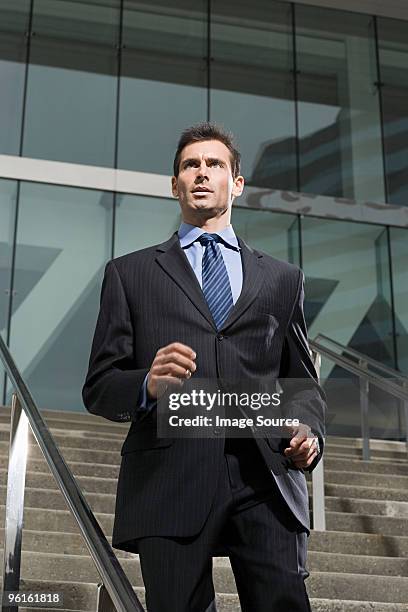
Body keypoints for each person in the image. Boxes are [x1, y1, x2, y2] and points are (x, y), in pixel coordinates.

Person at [82, 122, 326, 612]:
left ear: (236, 183)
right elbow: (100, 385)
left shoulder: (283, 279)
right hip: (171, 472)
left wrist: (309, 430)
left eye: (214, 164)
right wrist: (147, 383)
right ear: (175, 185)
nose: (201, 173)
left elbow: (301, 380)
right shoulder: (129, 274)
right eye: (190, 165)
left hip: (267, 474)